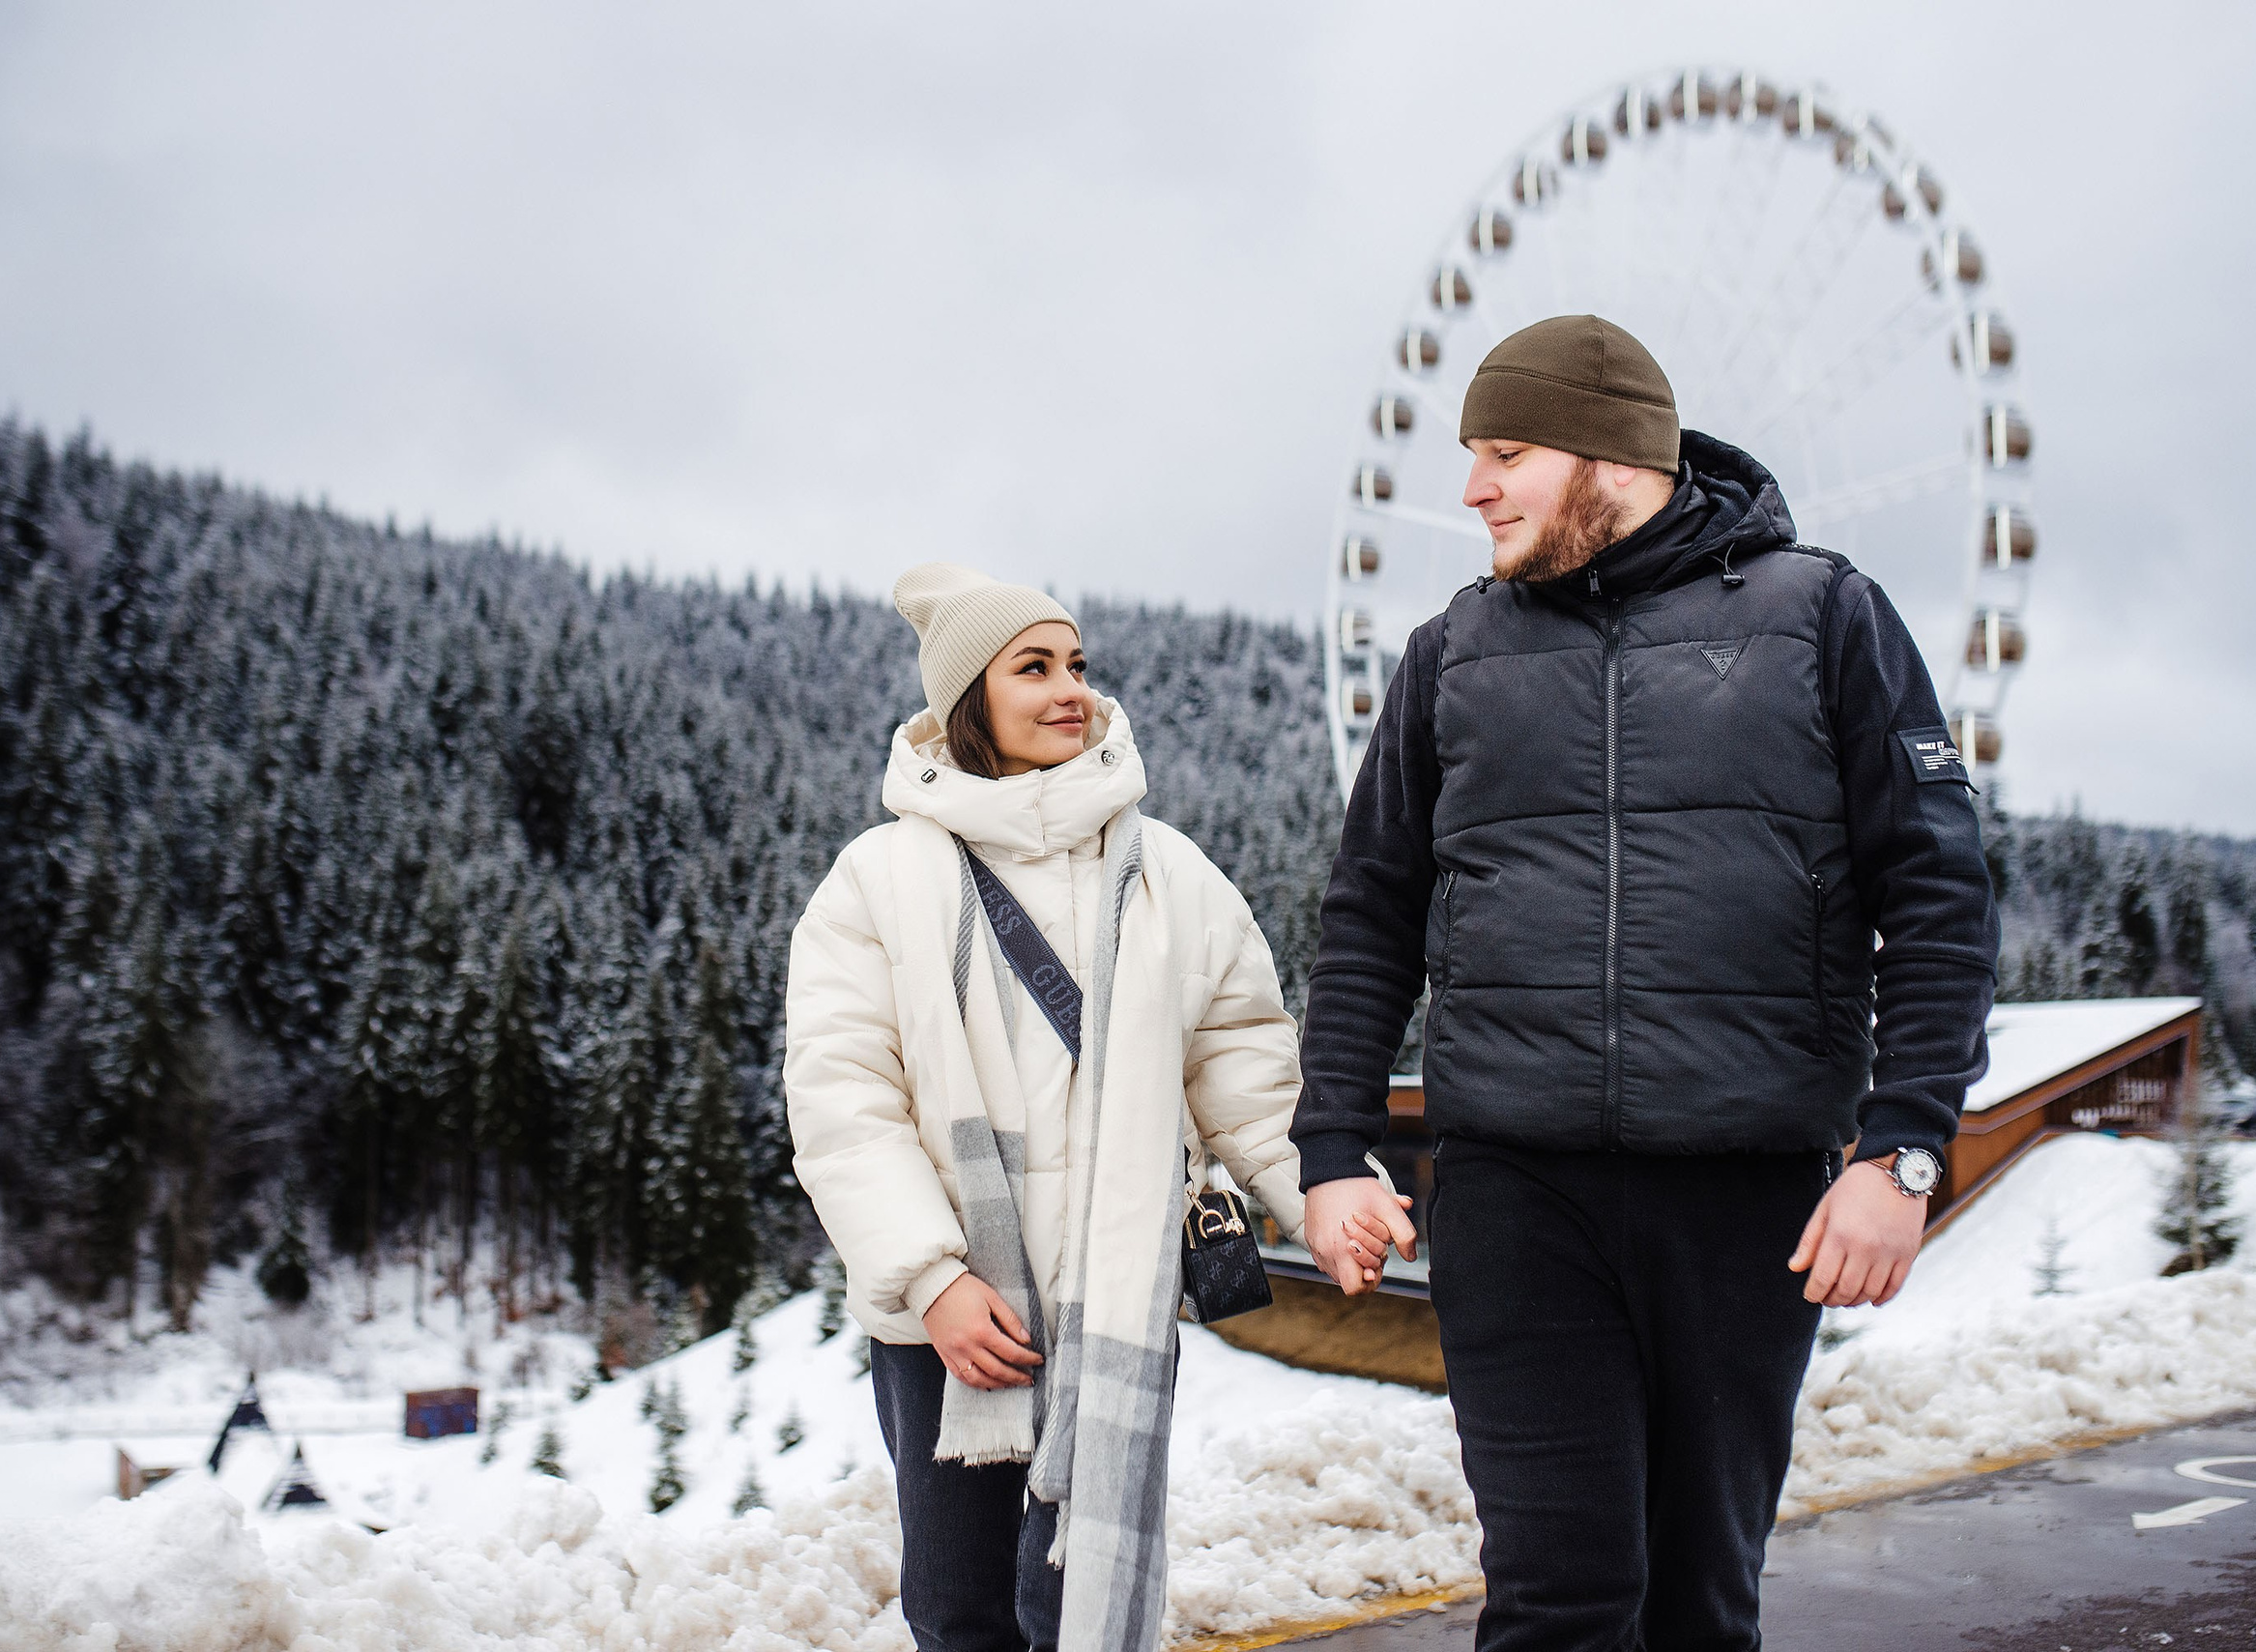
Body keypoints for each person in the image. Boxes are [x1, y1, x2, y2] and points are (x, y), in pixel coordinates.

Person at [1293, 315, 2000, 1650]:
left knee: (1697, 1604)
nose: (1472, 489)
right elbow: (1370, 909)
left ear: (1613, 456)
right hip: (1514, 1192)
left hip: (1745, 1198)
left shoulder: (1824, 617)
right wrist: (1332, 1146)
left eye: (1506, 453)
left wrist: (1904, 1149)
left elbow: (1938, 893)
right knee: (1558, 1600)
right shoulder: (1451, 653)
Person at [784, 563, 1312, 1652]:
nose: (1072, 688)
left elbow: (1242, 1058)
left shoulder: (1168, 872)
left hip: (1109, 1298)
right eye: (1033, 667)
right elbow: (845, 1102)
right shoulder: (876, 881)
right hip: (952, 1314)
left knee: (1076, 1604)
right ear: (968, 696)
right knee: (962, 1609)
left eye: (1077, 663)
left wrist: (1321, 1196)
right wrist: (931, 1279)